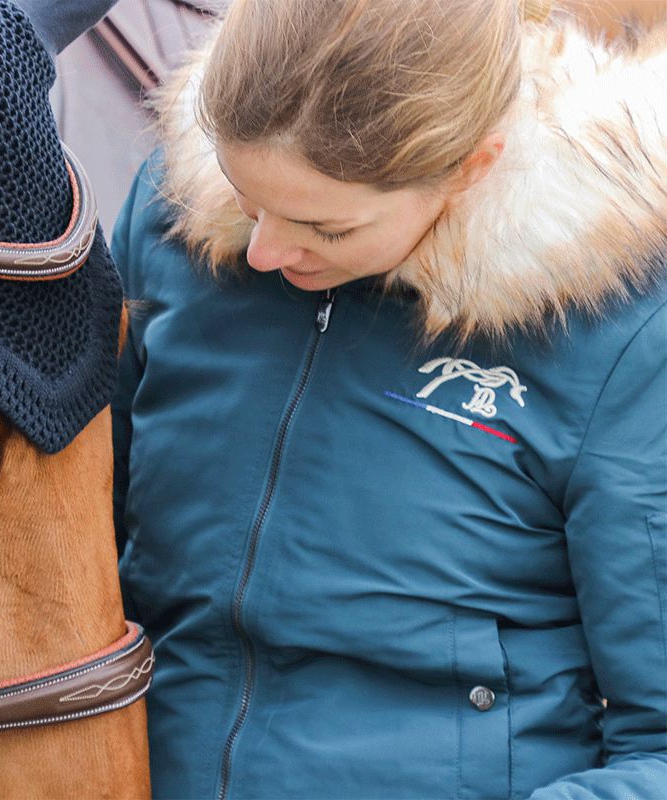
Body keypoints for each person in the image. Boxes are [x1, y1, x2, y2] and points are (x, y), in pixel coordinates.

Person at [110, 0, 667, 797]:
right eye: (244, 196)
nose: (265, 249)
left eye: (324, 228)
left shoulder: (623, 328)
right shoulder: (169, 219)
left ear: (477, 165)